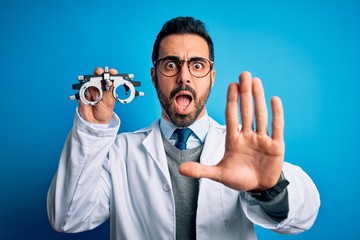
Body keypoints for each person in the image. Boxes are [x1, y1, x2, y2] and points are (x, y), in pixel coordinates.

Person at [47, 16, 320, 240]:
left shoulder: (240, 147)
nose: (184, 76)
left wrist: (269, 188)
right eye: (171, 65)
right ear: (154, 77)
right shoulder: (120, 153)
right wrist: (92, 130)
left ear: (211, 78)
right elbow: (67, 218)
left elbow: (304, 215)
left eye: (197, 65)